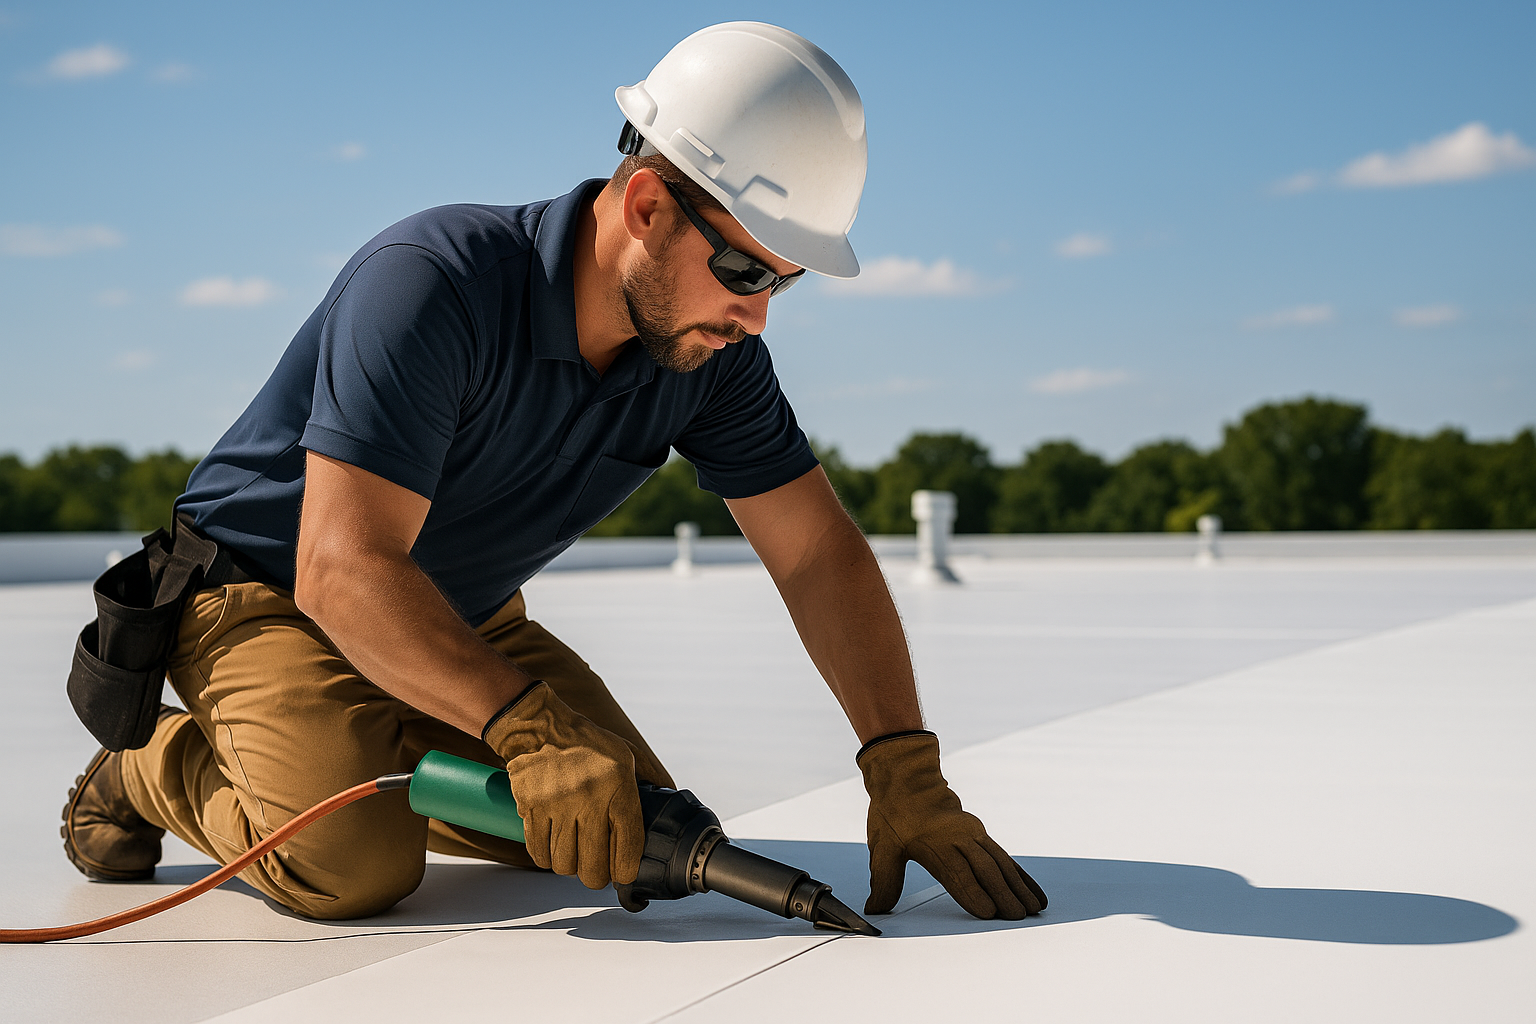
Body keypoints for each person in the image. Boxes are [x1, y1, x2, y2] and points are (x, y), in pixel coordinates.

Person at [62, 22, 1046, 924]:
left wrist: (902, 764)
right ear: (649, 204)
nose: (758, 317)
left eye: (784, 283)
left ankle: (367, 745)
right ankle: (154, 764)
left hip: (455, 615)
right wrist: (525, 726)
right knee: (352, 862)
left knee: (630, 827)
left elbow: (816, 553)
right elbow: (342, 566)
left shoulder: (711, 354)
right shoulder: (433, 285)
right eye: (747, 271)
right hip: (268, 596)